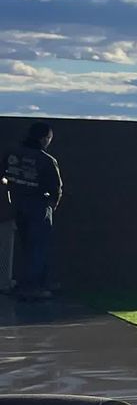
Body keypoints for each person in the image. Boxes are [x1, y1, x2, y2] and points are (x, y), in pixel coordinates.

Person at [3, 122, 63, 300]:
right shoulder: (46, 160)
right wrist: (51, 206)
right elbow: (56, 189)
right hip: (39, 206)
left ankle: (33, 284)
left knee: (27, 246)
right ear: (44, 138)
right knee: (38, 248)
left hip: (17, 204)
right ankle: (32, 287)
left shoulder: (12, 154)